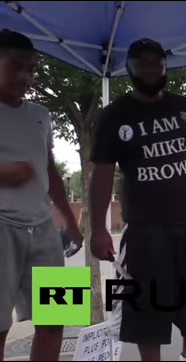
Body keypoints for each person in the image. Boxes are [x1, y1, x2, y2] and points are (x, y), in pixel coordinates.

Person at [88, 38, 186, 362]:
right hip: (145, 229)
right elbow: (101, 175)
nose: (152, 69)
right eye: (143, 63)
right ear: (129, 69)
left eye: (158, 63)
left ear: (165, 67)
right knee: (145, 306)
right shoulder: (115, 115)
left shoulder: (183, 106)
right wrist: (97, 228)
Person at [0, 29, 83, 361]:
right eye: (15, 66)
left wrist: (71, 222)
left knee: (59, 317)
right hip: (2, 227)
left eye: (32, 69)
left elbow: (50, 171)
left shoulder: (41, 114)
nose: (26, 76)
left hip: (44, 228)